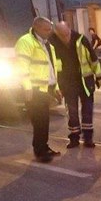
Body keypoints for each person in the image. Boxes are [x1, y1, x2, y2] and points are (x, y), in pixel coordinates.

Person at [15, 17, 62, 163]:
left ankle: (44, 147)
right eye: (46, 29)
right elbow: (22, 67)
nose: (49, 32)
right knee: (39, 121)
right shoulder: (26, 42)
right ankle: (40, 150)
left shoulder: (48, 45)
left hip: (46, 88)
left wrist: (56, 87)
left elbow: (52, 69)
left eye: (50, 29)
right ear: (36, 28)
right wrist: (27, 88)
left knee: (44, 120)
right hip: (34, 89)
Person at [50, 21, 101, 148]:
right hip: (67, 83)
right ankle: (74, 137)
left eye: (66, 34)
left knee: (87, 111)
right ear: (56, 33)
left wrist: (99, 76)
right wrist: (55, 86)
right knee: (72, 112)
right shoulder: (52, 43)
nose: (64, 37)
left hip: (85, 81)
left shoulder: (81, 40)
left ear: (69, 29)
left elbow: (93, 59)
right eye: (61, 35)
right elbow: (51, 67)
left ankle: (88, 138)